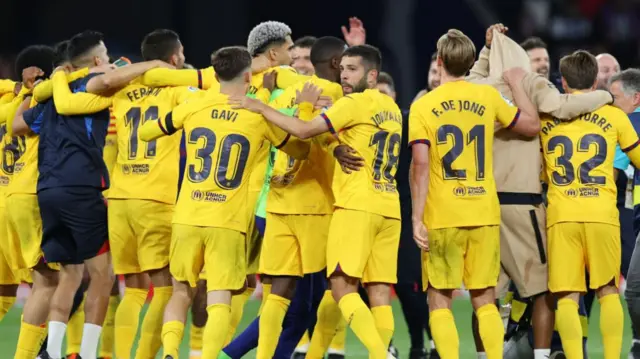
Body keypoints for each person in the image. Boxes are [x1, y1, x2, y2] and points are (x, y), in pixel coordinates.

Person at [232, 44, 402, 359]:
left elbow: (305, 131)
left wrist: (262, 106)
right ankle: (377, 352)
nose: (346, 75)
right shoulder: (391, 106)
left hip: (350, 206)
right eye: (344, 68)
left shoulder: (351, 102)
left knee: (338, 290)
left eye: (353, 69)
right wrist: (335, 144)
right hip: (389, 207)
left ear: (372, 74)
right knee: (377, 294)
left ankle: (380, 355)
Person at [138, 45, 309, 359]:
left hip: (187, 215)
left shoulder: (194, 104)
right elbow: (301, 151)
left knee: (179, 292)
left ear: (214, 74)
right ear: (248, 75)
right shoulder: (256, 114)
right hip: (228, 222)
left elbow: (148, 132)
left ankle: (171, 353)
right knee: (220, 299)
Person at [13, 30, 170, 359]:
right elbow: (116, 76)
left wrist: (34, 90)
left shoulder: (52, 95)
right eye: (106, 54)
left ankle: (53, 353)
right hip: (81, 189)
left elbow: (17, 125)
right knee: (102, 275)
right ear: (98, 61)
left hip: (47, 191)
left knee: (69, 275)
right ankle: (85, 354)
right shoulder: (93, 86)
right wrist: (150, 63)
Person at [409, 29, 541, 359]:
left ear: (439, 62)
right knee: (485, 299)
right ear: (470, 63)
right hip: (483, 211)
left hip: (443, 215)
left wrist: (416, 217)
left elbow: (420, 166)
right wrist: (518, 84)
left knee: (439, 299)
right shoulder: (487, 98)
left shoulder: (424, 105)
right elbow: (530, 125)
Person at [106, 29, 205, 359]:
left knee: (132, 289)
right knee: (166, 288)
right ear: (175, 58)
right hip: (156, 200)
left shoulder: (123, 86)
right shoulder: (176, 89)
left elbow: (100, 80)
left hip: (119, 199)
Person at [541, 50, 640, 359]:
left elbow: (536, 170)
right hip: (602, 214)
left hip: (562, 216)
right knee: (608, 291)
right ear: (597, 80)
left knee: (568, 297)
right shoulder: (614, 117)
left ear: (564, 82)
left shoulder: (547, 117)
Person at [377, 70, 436, 359]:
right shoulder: (363, 127)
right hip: (375, 214)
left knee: (411, 285)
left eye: (385, 94)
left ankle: (425, 343)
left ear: (395, 97)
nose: (380, 100)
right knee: (369, 287)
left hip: (408, 214)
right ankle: (391, 346)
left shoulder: (408, 121)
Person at [608, 69, 640, 359]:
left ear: (635, 98)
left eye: (615, 98)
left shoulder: (628, 122)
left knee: (633, 292)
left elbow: (612, 173)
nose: (612, 104)